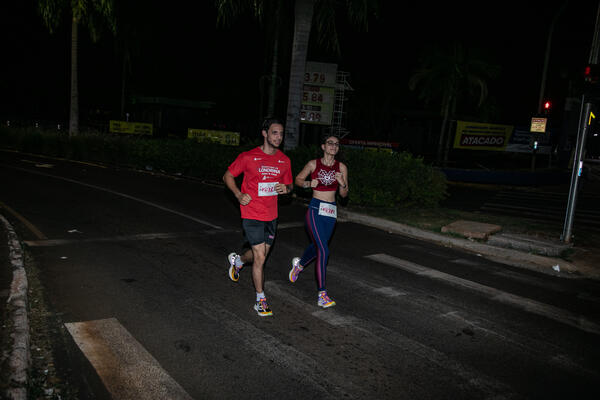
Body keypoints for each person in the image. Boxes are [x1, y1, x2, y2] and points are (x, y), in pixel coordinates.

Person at [223, 117, 293, 317]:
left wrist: (285, 189)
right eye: (274, 133)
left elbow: (289, 186)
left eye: (281, 133)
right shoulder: (248, 157)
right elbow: (227, 176)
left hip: (271, 216)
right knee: (261, 257)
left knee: (257, 256)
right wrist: (238, 194)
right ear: (265, 134)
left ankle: (238, 262)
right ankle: (260, 300)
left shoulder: (284, 161)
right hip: (252, 213)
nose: (278, 137)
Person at [289, 134, 348, 308]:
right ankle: (322, 294)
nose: (333, 146)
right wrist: (309, 184)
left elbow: (344, 195)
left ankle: (299, 265)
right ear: (323, 146)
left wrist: (342, 183)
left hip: (331, 212)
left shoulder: (341, 167)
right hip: (315, 209)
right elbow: (298, 180)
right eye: (330, 143)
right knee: (324, 249)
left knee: (317, 246)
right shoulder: (313, 164)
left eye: (336, 144)